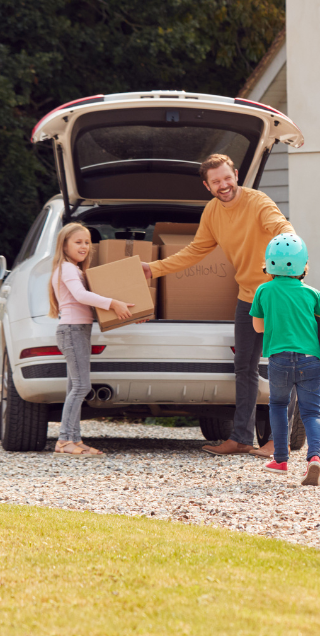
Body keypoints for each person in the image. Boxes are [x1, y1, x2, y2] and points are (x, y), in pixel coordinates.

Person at [143, 154, 293, 457]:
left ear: (235, 174)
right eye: (216, 182)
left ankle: (279, 441)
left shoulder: (258, 202)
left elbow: (280, 226)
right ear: (207, 185)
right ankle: (240, 438)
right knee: (244, 367)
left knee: (280, 366)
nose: (223, 185)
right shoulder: (212, 212)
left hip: (277, 294)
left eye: (227, 178)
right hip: (248, 296)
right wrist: (155, 269)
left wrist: (291, 249)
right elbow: (196, 251)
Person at [250, 235, 320, 485]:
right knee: (311, 412)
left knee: (279, 407)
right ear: (304, 265)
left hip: (279, 360)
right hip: (309, 360)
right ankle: (314, 458)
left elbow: (258, 327)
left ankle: (280, 460)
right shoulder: (310, 293)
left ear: (269, 264)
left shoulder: (263, 291)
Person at [47, 222, 134, 456]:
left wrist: (128, 313)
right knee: (81, 386)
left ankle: (74, 438)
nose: (84, 246)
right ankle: (64, 440)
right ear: (64, 245)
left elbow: (88, 301)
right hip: (72, 331)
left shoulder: (74, 269)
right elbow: (80, 295)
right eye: (78, 242)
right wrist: (113, 303)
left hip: (79, 330)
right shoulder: (66, 268)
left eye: (87, 242)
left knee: (74, 386)